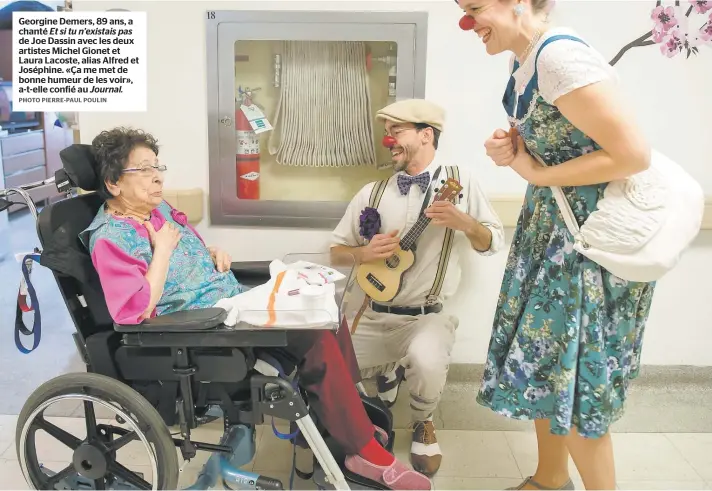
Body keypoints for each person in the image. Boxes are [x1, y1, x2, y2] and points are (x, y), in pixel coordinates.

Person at [78, 127, 432, 491]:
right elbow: (132, 312)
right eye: (144, 170)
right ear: (114, 183)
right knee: (313, 337)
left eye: (158, 166)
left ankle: (349, 417)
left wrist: (210, 253)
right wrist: (164, 250)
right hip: (197, 330)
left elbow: (187, 255)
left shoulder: (158, 210)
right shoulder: (110, 237)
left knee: (326, 312)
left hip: (228, 303)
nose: (158, 177)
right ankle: (363, 452)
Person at [456, 0, 657, 489]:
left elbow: (632, 155)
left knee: (577, 382)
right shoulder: (523, 62)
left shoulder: (559, 58)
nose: (466, 22)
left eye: (475, 7)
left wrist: (533, 172)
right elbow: (570, 138)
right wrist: (517, 148)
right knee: (546, 367)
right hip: (552, 234)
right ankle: (549, 479)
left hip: (587, 248)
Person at [331, 99, 505, 476]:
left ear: (426, 135)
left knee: (426, 360)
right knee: (333, 371)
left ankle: (423, 419)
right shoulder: (372, 193)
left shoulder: (462, 180)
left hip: (427, 316)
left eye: (397, 132)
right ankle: (380, 389)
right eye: (388, 133)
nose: (388, 140)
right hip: (372, 313)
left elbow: (493, 242)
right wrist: (363, 252)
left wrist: (465, 223)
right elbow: (335, 253)